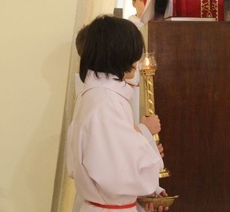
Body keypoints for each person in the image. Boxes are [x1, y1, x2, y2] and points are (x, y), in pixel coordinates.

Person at [66, 15, 169, 211]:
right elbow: (116, 171)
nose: (137, 61)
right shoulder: (105, 102)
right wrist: (145, 138)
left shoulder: (102, 95)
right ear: (118, 53)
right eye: (133, 53)